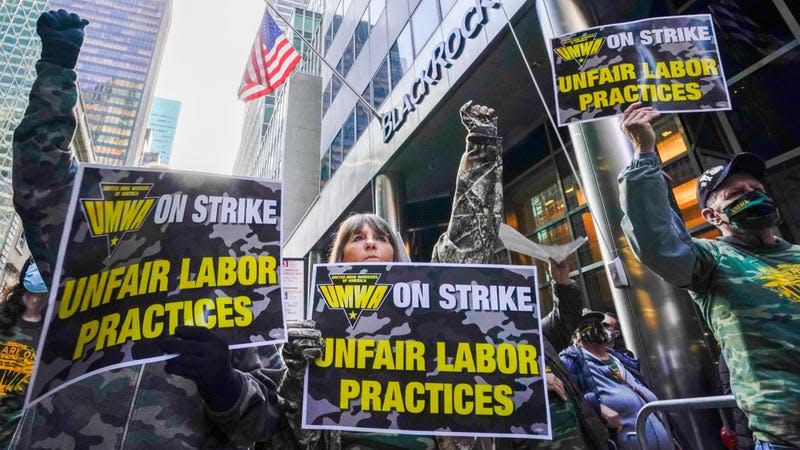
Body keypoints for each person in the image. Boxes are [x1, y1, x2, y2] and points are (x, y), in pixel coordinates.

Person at [10, 10, 280, 448]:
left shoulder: (239, 297)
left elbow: (268, 427)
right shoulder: (84, 259)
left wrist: (227, 386)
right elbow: (40, 182)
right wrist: (57, 72)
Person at [270, 102, 608, 449]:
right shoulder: (319, 328)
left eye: (380, 237)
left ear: (396, 253)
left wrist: (482, 147)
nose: (370, 244)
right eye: (358, 238)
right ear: (340, 256)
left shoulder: (428, 301)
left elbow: (466, 242)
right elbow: (296, 434)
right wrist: (297, 373)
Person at [618, 102, 800, 449]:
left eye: (756, 191)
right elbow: (658, 242)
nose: (751, 197)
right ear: (713, 217)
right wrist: (644, 155)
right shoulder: (712, 259)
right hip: (785, 438)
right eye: (735, 195)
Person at [560, 312, 672, 450]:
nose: (594, 328)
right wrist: (595, 406)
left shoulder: (622, 359)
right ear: (574, 336)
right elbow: (567, 399)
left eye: (598, 324)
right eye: (586, 326)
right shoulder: (570, 361)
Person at [0, 261, 47, 446]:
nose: (35, 300)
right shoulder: (3, 320)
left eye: (42, 295)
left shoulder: (54, 337)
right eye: (30, 293)